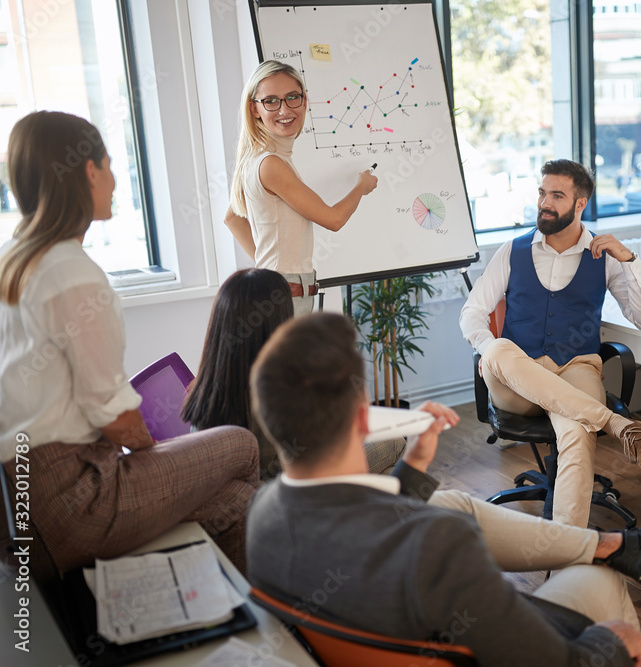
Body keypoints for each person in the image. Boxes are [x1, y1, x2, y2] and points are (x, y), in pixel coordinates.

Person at [246, 312, 641, 667]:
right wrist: (611, 644)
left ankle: (616, 545)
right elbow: (557, 662)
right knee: (600, 582)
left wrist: (416, 464)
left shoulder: (263, 515)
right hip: (499, 650)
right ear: (363, 420)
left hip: (398, 632)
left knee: (446, 503)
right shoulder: (439, 544)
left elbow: (365, 523)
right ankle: (617, 555)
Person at [0, 111, 259, 573]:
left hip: (18, 500)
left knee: (234, 498)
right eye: (110, 165)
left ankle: (201, 613)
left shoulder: (13, 262)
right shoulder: (72, 273)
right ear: (89, 171)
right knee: (241, 445)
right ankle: (238, 621)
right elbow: (117, 419)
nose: (116, 181)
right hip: (77, 501)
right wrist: (153, 453)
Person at [459, 159, 641, 528]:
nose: (545, 203)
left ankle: (566, 546)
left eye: (556, 195)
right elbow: (472, 313)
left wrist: (631, 261)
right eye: (542, 192)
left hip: (576, 370)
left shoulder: (603, 258)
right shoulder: (513, 250)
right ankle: (618, 425)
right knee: (497, 349)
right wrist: (488, 347)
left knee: (577, 432)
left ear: (580, 204)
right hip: (516, 382)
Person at [181, 267, 403, 480]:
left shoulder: (206, 388)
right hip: (292, 484)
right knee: (393, 444)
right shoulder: (276, 388)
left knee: (382, 467)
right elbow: (313, 447)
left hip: (255, 491)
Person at [224, 60, 378, 316]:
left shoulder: (257, 158)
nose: (284, 109)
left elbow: (231, 218)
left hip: (278, 292)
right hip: (285, 298)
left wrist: (268, 270)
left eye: (292, 97)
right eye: (271, 101)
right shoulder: (271, 164)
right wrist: (361, 187)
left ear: (304, 101)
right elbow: (334, 219)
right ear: (254, 108)